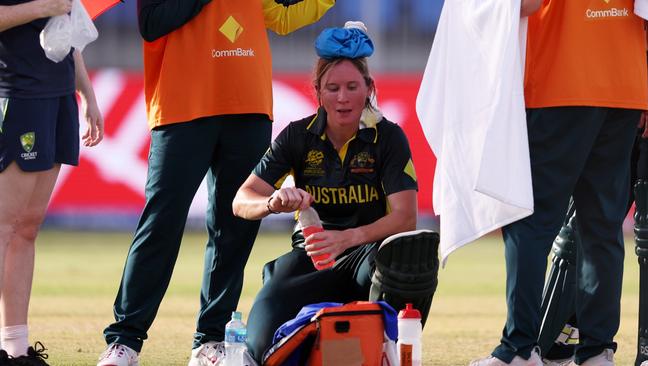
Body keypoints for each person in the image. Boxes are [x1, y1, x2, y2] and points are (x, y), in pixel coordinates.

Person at [96, 1, 336, 365]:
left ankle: (211, 342)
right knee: (161, 223)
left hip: (248, 105)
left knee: (233, 228)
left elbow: (282, 17)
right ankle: (125, 341)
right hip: (182, 106)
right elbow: (152, 22)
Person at [232, 22, 437, 363]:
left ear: (369, 89)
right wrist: (272, 202)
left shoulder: (388, 137)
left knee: (411, 252)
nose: (343, 98)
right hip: (311, 255)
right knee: (258, 344)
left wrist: (346, 239)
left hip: (366, 255)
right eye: (333, 88)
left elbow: (406, 216)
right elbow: (241, 200)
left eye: (352, 87)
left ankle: (392, 351)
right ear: (318, 92)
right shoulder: (296, 136)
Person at [470, 0, 648, 365]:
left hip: (560, 83)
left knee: (530, 220)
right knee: (602, 227)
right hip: (624, 85)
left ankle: (519, 349)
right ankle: (597, 350)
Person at [0, 0, 104, 365]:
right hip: (16, 94)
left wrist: (87, 94)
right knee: (3, 225)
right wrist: (43, 6)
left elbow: (68, 33)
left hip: (58, 98)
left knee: (28, 227)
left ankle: (16, 348)